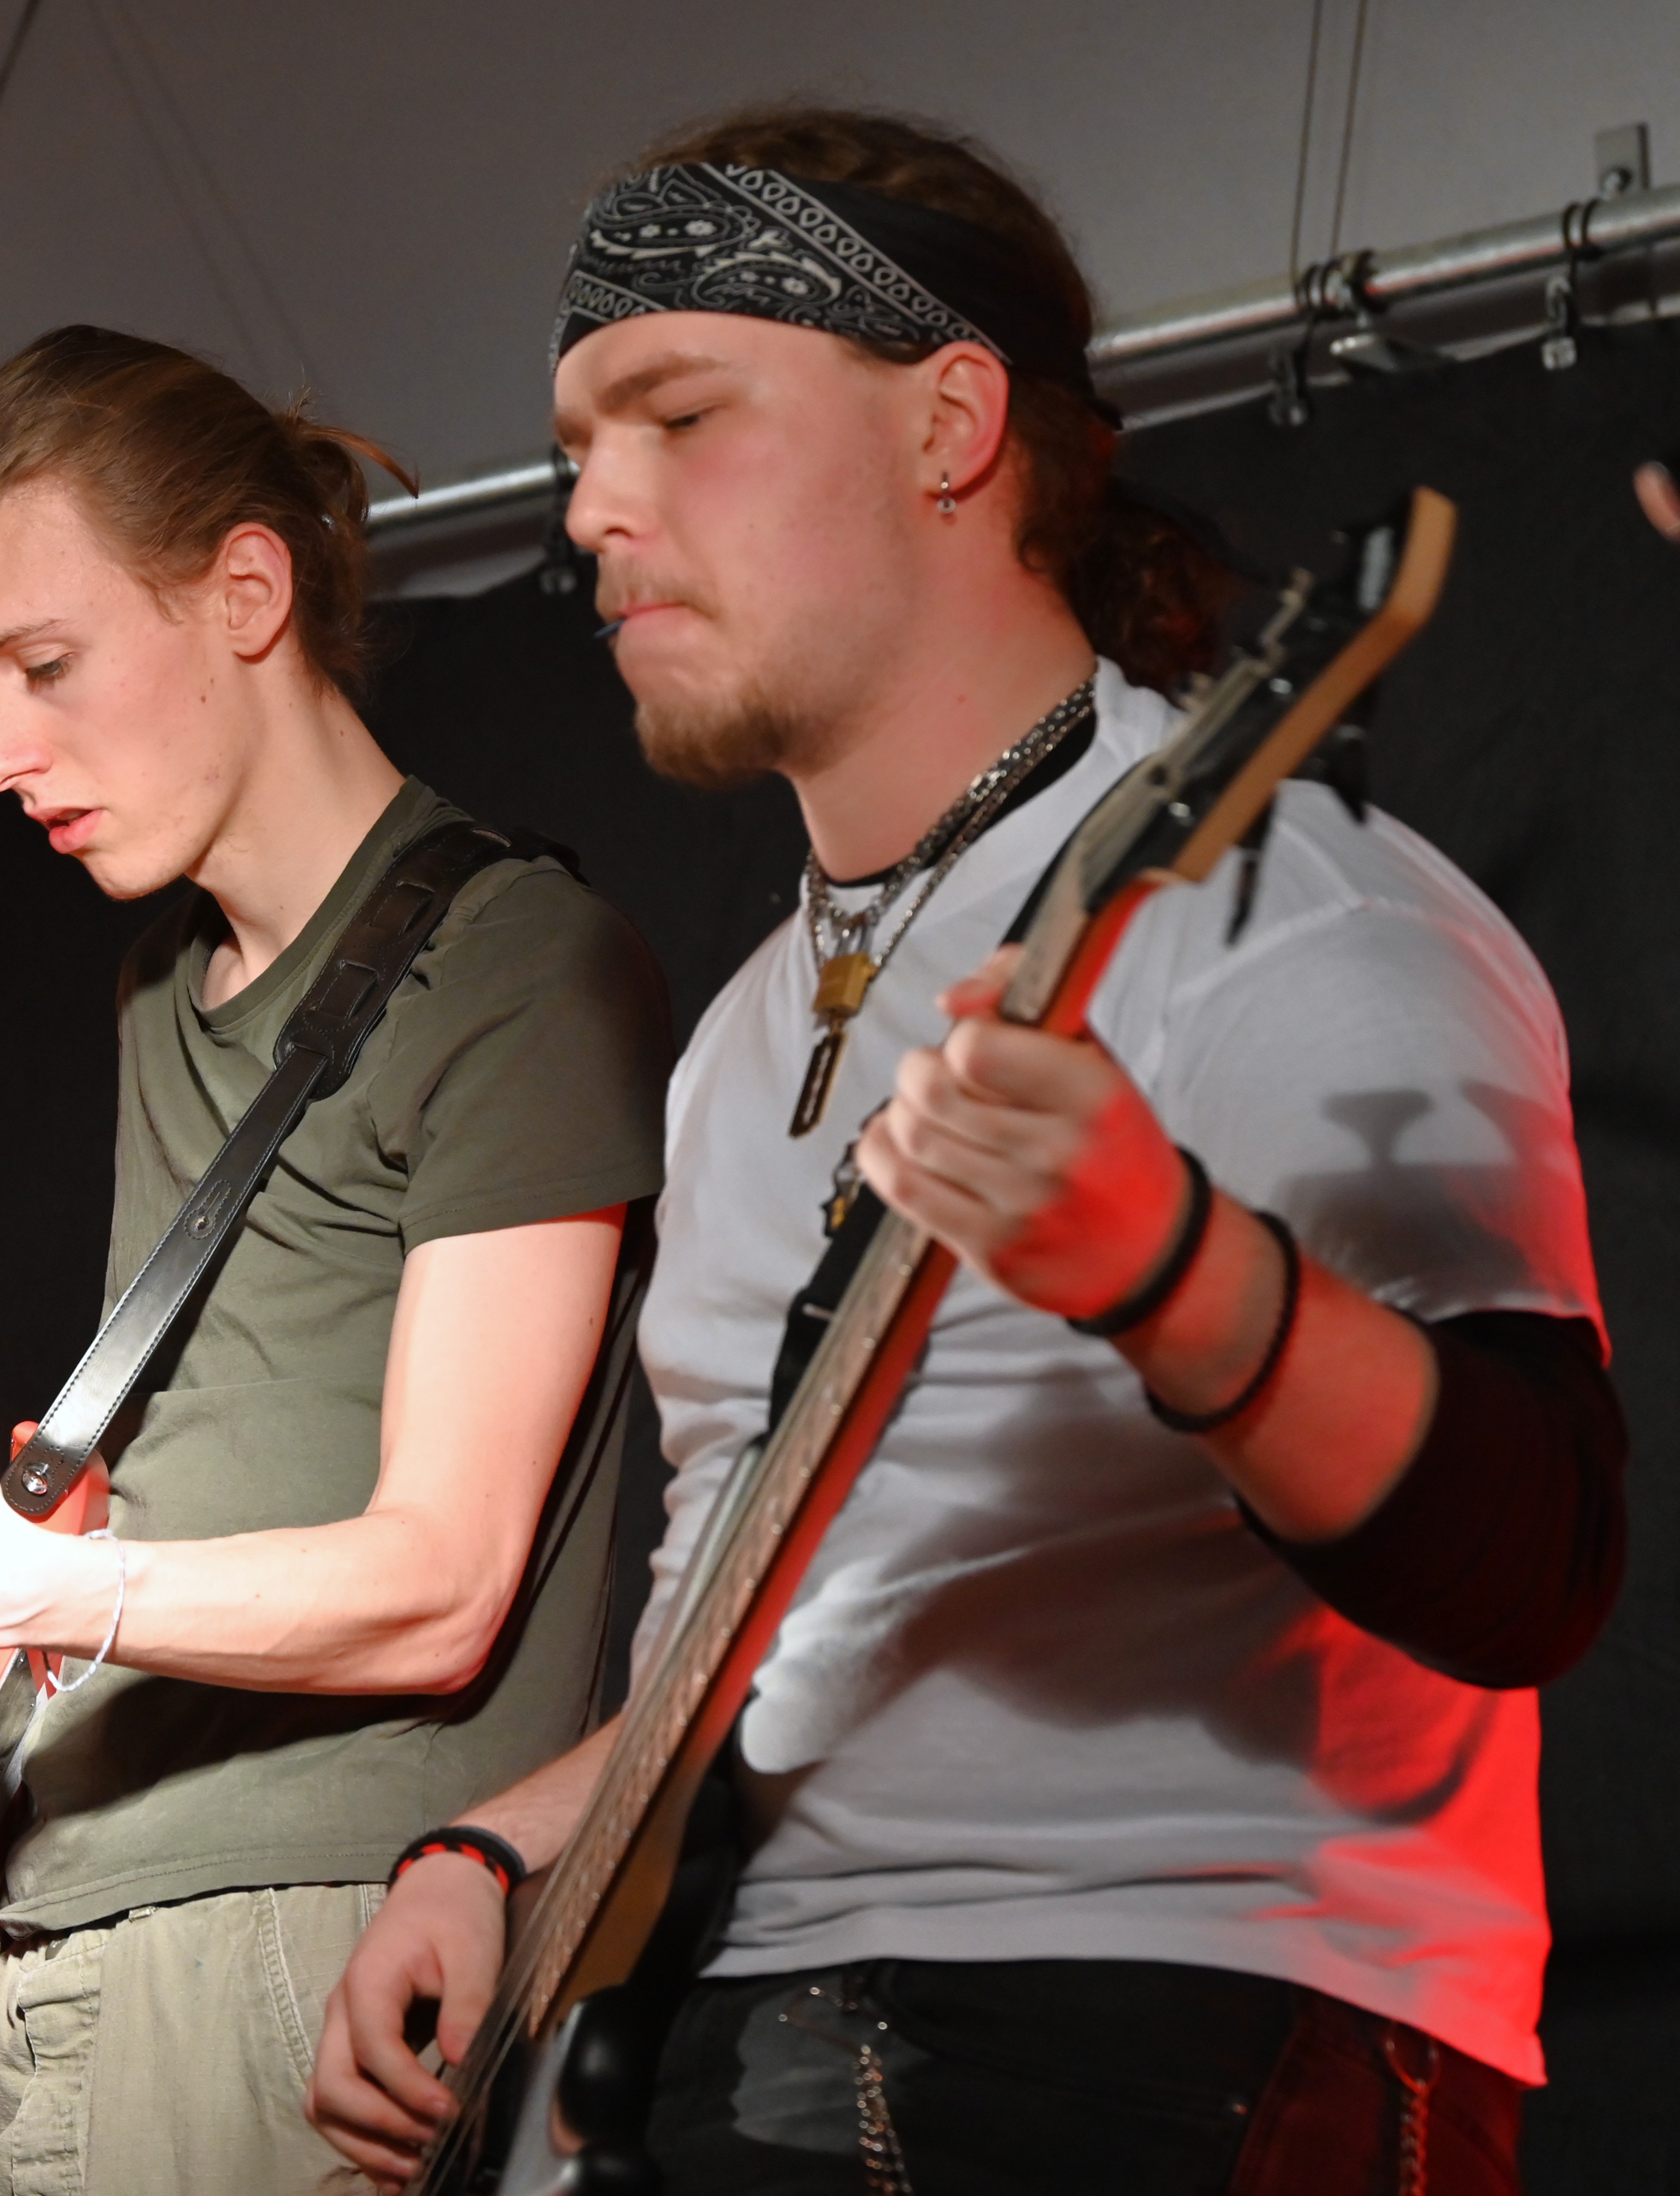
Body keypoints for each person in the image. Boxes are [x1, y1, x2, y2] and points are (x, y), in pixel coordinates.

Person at [307, 106, 1628, 2194]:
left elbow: (1533, 1545)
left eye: (679, 416)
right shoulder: (742, 1036)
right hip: (729, 2041)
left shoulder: (1284, 910)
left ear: (948, 423)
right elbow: (788, 1627)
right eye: (575, 446)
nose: (593, 509)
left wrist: (1170, 1271)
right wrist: (494, 1851)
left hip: (1158, 2037)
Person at [0, 326, 670, 2196]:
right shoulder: (165, 989)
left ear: (246, 591)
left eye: (44, 666)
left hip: (299, 1943)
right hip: (65, 1942)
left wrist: (14, 1581)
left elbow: (443, 1582)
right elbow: (203, 1501)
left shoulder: (513, 962)